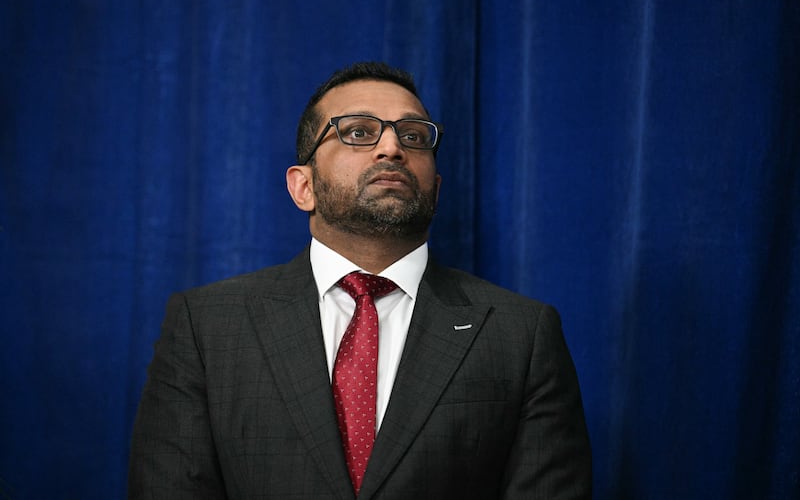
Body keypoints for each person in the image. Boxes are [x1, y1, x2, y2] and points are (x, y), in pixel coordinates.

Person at [128, 61, 592, 499]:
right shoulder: (206, 327)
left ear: (436, 187)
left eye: (412, 136)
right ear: (303, 186)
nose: (392, 148)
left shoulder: (521, 335)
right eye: (358, 132)